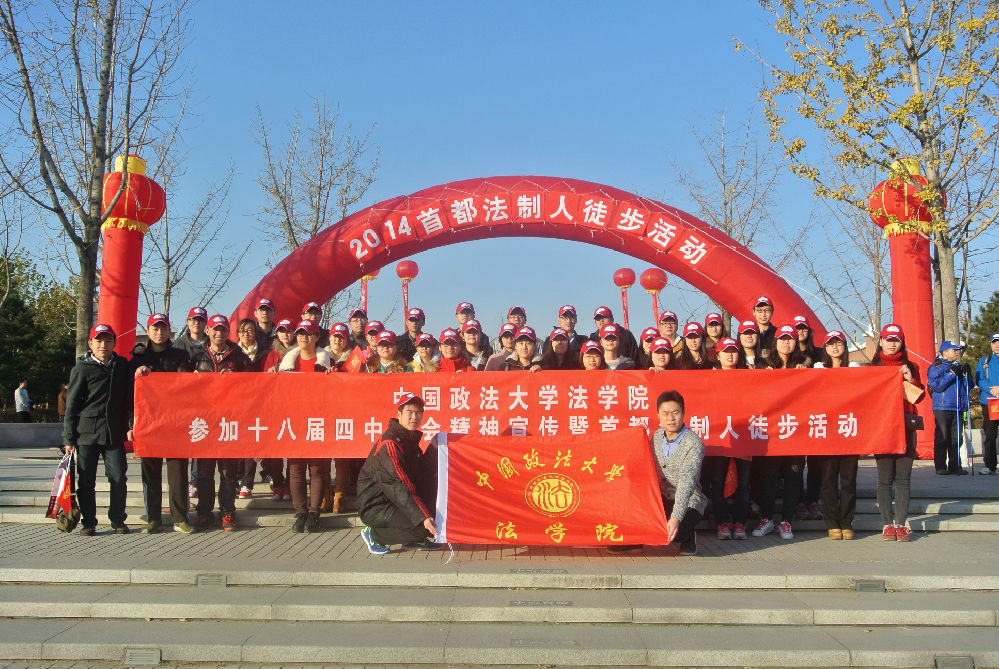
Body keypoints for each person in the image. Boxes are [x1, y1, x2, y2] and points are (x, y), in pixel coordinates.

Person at [62, 324, 132, 536]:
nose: (103, 345)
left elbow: (129, 398)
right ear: (90, 343)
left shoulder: (122, 365)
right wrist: (69, 438)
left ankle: (118, 520)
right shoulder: (81, 369)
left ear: (114, 343)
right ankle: (89, 522)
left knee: (118, 477)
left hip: (113, 433)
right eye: (99, 341)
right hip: (87, 434)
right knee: (86, 481)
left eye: (108, 341)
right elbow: (71, 405)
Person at [131, 313, 196, 534]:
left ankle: (180, 518)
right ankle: (153, 519)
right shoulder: (138, 358)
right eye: (155, 328)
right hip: (148, 423)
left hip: (175, 422)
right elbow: (130, 394)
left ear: (170, 331)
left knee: (178, 473)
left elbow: (186, 384)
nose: (159, 332)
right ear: (147, 331)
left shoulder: (181, 355)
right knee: (150, 473)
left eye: (163, 328)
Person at [190, 314, 252, 531]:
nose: (219, 333)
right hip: (204, 422)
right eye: (215, 329)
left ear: (228, 332)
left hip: (229, 421)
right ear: (207, 331)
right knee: (205, 473)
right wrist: (191, 378)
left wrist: (235, 380)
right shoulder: (197, 357)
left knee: (228, 472)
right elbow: (180, 385)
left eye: (223, 330)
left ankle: (227, 512)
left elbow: (253, 386)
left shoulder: (239, 357)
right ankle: (204, 512)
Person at [358, 393, 438, 554]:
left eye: (418, 413)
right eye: (410, 412)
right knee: (423, 527)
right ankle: (374, 535)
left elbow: (421, 475)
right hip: (377, 506)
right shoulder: (390, 444)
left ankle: (413, 540)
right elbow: (398, 485)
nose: (414, 417)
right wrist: (423, 516)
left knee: (436, 513)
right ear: (399, 414)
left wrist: (435, 447)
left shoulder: (409, 439)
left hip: (395, 500)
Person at [278, 320, 333, 532]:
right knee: (296, 468)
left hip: (319, 420)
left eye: (309, 334)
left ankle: (314, 512)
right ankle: (300, 512)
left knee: (317, 469)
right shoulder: (287, 363)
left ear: (316, 337)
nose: (304, 337)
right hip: (294, 421)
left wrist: (334, 375)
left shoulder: (327, 362)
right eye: (301, 333)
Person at [871, 323, 924, 542]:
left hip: (906, 426)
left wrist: (911, 379)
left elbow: (919, 397)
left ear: (902, 343)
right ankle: (887, 524)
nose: (892, 344)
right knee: (884, 479)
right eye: (888, 340)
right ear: (881, 341)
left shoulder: (911, 366)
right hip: (882, 427)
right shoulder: (872, 367)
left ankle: (901, 524)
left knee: (903, 478)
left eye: (896, 340)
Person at [753, 325, 806, 540]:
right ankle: (766, 518)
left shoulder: (804, 365)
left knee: (793, 476)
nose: (786, 343)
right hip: (772, 432)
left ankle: (786, 521)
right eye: (782, 339)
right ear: (776, 342)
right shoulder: (765, 364)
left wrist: (806, 376)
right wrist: (762, 378)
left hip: (795, 431)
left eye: (790, 339)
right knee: (769, 476)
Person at [648, 390, 709, 555]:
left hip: (689, 500)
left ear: (683, 413)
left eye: (675, 412)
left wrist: (676, 518)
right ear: (658, 415)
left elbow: (686, 483)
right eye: (665, 413)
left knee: (675, 531)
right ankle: (633, 544)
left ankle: (688, 536)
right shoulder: (656, 436)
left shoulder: (694, 444)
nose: (671, 418)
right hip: (662, 497)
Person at [708, 338, 751, 540]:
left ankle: (740, 522)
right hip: (720, 437)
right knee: (717, 481)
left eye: (733, 351)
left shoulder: (748, 377)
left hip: (744, 436)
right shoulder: (709, 378)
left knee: (744, 483)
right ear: (718, 356)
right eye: (726, 352)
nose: (730, 355)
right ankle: (723, 522)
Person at [817, 330, 857, 539]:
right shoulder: (818, 370)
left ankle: (847, 521)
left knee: (849, 480)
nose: (834, 347)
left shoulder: (855, 369)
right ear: (825, 348)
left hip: (849, 431)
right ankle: (832, 522)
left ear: (845, 346)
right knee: (828, 480)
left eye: (838, 343)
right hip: (827, 432)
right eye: (830, 344)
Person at [927, 340, 971, 476]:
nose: (957, 352)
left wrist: (967, 375)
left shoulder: (958, 366)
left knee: (956, 438)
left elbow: (968, 387)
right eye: (954, 350)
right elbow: (936, 386)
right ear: (945, 353)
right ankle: (940, 466)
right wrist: (951, 374)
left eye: (958, 350)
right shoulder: (936, 367)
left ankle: (955, 466)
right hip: (943, 406)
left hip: (957, 407)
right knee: (943, 437)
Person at [975, 333, 999, 475]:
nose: (997, 345)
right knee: (990, 435)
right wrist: (993, 391)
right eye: (994, 342)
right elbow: (979, 379)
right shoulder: (984, 361)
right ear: (990, 344)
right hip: (990, 402)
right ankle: (990, 465)